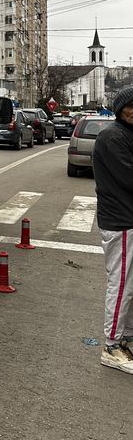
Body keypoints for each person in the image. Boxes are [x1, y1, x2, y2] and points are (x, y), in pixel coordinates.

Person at [93, 85, 133, 373]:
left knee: (130, 286)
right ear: (119, 109)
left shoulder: (126, 134)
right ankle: (111, 346)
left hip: (128, 220)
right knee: (121, 287)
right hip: (121, 221)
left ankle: (126, 339)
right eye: (130, 106)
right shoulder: (113, 137)